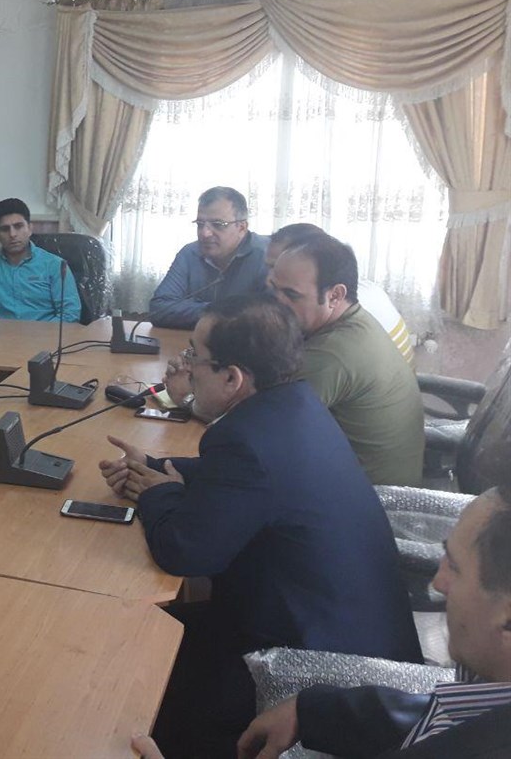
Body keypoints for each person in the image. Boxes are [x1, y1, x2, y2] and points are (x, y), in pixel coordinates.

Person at [100, 293, 421, 759]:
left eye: (194, 356)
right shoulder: (296, 404)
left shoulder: (244, 439)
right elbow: (243, 480)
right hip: (356, 636)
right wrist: (153, 466)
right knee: (150, 634)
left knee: (137, 654)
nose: (185, 367)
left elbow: (185, 551)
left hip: (314, 663)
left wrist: (154, 491)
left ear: (232, 378)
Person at [237, 478, 511, 759]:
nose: (438, 581)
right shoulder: (489, 679)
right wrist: (313, 711)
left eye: (454, 567)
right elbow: (439, 717)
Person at [268, 232, 424, 486]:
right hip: (375, 479)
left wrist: (202, 401)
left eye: (291, 295)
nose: (276, 303)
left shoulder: (331, 354)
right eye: (274, 289)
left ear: (335, 295)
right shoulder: (357, 320)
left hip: (373, 496)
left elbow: (267, 432)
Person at [266, 222, 415, 363]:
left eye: (277, 265)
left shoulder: (344, 306)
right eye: (268, 267)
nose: (269, 278)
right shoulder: (356, 288)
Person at [147, 186, 270, 329]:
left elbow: (268, 319)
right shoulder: (189, 253)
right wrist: (220, 311)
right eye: (200, 224)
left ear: (241, 228)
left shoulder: (268, 256)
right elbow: (159, 308)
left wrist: (198, 310)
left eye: (218, 225)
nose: (205, 233)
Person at [0, 198, 80, 321]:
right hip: (1, 331)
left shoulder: (55, 265)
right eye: (5, 229)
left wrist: (40, 331)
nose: (12, 234)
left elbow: (70, 313)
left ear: (30, 229)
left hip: (45, 331)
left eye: (18, 226)